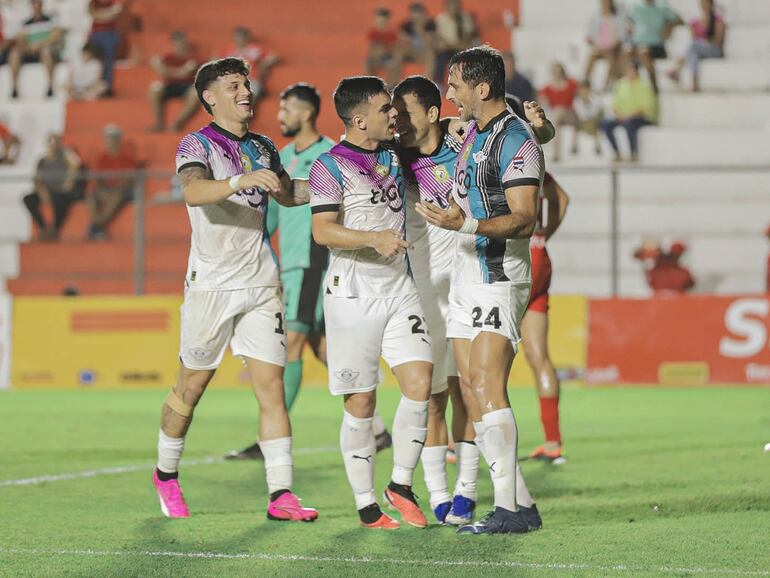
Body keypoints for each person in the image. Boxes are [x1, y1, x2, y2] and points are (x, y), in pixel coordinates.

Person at [154, 57, 317, 521]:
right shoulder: (196, 142)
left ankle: (281, 494)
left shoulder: (264, 144)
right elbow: (193, 192)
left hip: (261, 282)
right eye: (233, 85)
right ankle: (166, 475)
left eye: (246, 83)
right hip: (211, 286)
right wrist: (241, 179)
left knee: (271, 386)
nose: (246, 91)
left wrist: (336, 189)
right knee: (191, 388)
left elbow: (285, 192)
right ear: (210, 97)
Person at [225, 82, 393, 461]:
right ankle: (379, 429)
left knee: (293, 343)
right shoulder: (283, 156)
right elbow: (272, 218)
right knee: (321, 348)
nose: (280, 116)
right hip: (292, 263)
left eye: (286, 110)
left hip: (317, 259)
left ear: (305, 113)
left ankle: (271, 434)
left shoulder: (328, 155)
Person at [415, 45, 543, 535]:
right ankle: (522, 503)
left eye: (455, 86)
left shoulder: (515, 139)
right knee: (471, 388)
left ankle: (508, 510)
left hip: (497, 277)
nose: (449, 95)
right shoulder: (474, 133)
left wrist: (464, 222)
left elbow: (525, 218)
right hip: (468, 274)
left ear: (482, 89)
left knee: (489, 387)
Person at [310, 76, 433, 530]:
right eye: (385, 109)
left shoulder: (393, 152)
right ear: (359, 119)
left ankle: (400, 483)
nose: (393, 114)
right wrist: (373, 238)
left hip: (399, 286)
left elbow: (439, 133)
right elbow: (322, 231)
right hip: (352, 291)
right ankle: (366, 505)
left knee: (419, 381)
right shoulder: (329, 166)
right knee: (361, 403)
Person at [392, 76, 464, 525]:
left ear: (434, 114)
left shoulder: (464, 145)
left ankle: (467, 491)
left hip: (471, 280)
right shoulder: (394, 158)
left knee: (472, 391)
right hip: (425, 288)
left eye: (405, 115)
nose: (397, 124)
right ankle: (439, 493)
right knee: (435, 395)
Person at [523, 172, 570, 464]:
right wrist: (544, 235)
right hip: (540, 254)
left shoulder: (498, 152)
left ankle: (462, 443)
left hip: (513, 259)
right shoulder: (535, 162)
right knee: (539, 355)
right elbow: (562, 199)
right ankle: (553, 443)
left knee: (485, 354)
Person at [23, 134, 84, 240]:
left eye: (55, 142)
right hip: (47, 191)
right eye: (51, 143)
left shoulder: (66, 157)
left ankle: (55, 228)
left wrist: (66, 185)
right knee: (28, 199)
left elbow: (75, 166)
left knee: (59, 200)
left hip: (61, 192)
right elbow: (36, 178)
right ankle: (43, 227)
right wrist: (42, 191)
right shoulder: (42, 161)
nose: (53, 146)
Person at [86, 124, 139, 240]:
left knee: (116, 196)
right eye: (108, 139)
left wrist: (112, 190)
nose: (110, 142)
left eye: (113, 139)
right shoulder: (101, 159)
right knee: (91, 196)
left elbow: (128, 181)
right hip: (106, 190)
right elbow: (97, 179)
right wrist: (104, 190)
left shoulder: (127, 159)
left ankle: (96, 225)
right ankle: (97, 226)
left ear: (119, 140)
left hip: (123, 191)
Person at [600, 60, 657, 162]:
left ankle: (633, 153)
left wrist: (627, 116)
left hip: (640, 117)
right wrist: (619, 114)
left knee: (629, 124)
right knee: (606, 124)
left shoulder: (644, 85)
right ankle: (617, 153)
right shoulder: (621, 84)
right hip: (622, 116)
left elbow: (644, 107)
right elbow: (615, 104)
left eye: (632, 71)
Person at [8, 0, 64, 98]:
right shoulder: (26, 23)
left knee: (46, 51)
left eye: (38, 3)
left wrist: (40, 45)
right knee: (14, 54)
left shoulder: (51, 20)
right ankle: (14, 88)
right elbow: (20, 39)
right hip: (30, 51)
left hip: (46, 50)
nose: (36, 6)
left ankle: (50, 86)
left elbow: (56, 36)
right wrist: (29, 47)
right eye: (34, 4)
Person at [667, 0, 726, 92]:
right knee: (693, 52)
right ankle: (694, 84)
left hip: (714, 50)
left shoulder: (718, 20)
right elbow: (693, 39)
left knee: (693, 47)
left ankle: (677, 69)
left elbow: (718, 40)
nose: (705, 6)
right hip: (699, 50)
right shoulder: (694, 23)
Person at [148, 31, 200, 132]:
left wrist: (166, 71)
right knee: (154, 89)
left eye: (181, 42)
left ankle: (178, 123)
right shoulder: (167, 57)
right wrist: (175, 72)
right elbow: (157, 65)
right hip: (170, 85)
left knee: (196, 93)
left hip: (187, 86)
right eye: (176, 43)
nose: (179, 45)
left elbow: (184, 73)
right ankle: (159, 124)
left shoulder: (193, 58)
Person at [625, 0, 682, 92]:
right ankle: (626, 88)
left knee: (643, 52)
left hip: (656, 46)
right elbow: (628, 21)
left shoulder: (662, 6)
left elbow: (679, 20)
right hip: (637, 44)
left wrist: (668, 27)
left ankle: (654, 86)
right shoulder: (636, 7)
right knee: (625, 51)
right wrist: (631, 28)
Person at [220, 27, 278, 100]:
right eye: (237, 36)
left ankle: (248, 110)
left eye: (242, 36)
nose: (239, 39)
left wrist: (263, 64)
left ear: (247, 37)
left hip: (250, 79)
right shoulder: (229, 49)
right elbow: (214, 58)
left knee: (251, 94)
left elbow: (273, 57)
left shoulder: (254, 49)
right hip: (231, 80)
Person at [539, 62, 579, 162]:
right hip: (556, 115)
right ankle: (556, 154)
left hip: (570, 114)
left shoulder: (571, 84)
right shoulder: (548, 87)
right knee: (556, 115)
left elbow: (579, 98)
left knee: (559, 111)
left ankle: (572, 145)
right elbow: (542, 101)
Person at [584, 0, 627, 91]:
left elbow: (622, 36)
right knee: (592, 56)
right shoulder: (596, 17)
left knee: (610, 55)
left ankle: (607, 83)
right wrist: (595, 45)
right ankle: (585, 82)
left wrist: (612, 46)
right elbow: (589, 36)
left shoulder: (618, 18)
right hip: (599, 47)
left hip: (613, 48)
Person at [391, 3, 437, 85]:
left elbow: (429, 44)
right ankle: (394, 84)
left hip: (424, 52)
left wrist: (421, 29)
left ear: (424, 14)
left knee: (430, 55)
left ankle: (426, 84)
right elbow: (402, 39)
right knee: (399, 52)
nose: (415, 17)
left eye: (418, 13)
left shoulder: (430, 24)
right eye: (413, 13)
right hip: (411, 51)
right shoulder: (407, 24)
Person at [433, 0, 478, 83]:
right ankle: (439, 83)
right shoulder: (441, 19)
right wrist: (455, 45)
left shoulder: (466, 17)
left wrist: (461, 44)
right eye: (451, 6)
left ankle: (468, 82)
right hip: (447, 48)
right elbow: (440, 37)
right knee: (440, 56)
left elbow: (470, 35)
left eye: (455, 6)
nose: (454, 8)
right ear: (446, 7)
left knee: (468, 54)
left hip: (462, 47)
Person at [88, 0, 124, 97]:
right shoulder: (94, 1)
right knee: (91, 56)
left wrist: (99, 15)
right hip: (95, 34)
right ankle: (94, 86)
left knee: (108, 57)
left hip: (110, 33)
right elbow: (91, 13)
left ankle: (107, 86)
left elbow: (114, 14)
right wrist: (106, 14)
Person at [365, 7, 398, 78]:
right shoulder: (372, 32)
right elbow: (371, 48)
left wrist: (385, 51)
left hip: (387, 57)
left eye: (383, 20)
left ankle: (391, 86)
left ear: (387, 20)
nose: (381, 22)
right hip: (375, 57)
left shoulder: (392, 33)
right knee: (367, 63)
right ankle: (369, 84)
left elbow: (393, 48)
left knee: (394, 64)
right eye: (379, 20)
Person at [573, 81, 603, 156]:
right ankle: (574, 146)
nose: (584, 92)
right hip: (582, 122)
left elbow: (595, 111)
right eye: (582, 89)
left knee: (595, 125)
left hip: (592, 121)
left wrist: (588, 102)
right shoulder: (577, 101)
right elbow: (580, 114)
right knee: (576, 126)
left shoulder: (595, 99)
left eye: (586, 89)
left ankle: (597, 146)